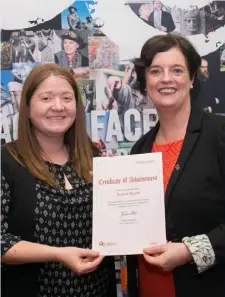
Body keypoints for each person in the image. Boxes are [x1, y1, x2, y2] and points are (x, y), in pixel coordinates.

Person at [1, 63, 117, 297]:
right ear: (27, 106)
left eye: (66, 98)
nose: (58, 106)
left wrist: (120, 191)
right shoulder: (7, 161)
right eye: (46, 98)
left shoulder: (93, 157)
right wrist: (56, 253)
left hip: (98, 289)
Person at [126, 34, 225, 297]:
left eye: (177, 70)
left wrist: (190, 251)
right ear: (145, 81)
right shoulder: (139, 150)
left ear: (192, 78)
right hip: (150, 288)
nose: (166, 79)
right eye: (155, 71)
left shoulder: (219, 134)